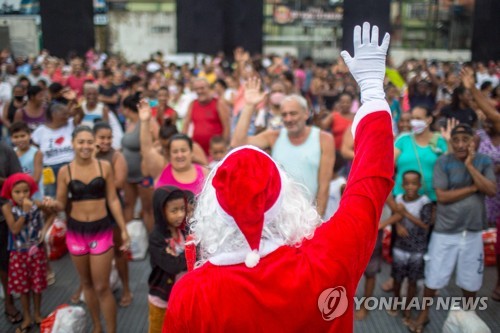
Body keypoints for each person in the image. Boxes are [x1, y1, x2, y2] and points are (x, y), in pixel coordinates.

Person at [163, 22, 394, 332]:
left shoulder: (191, 293)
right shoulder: (328, 256)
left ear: (213, 209)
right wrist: (373, 92)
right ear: (285, 196)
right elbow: (369, 185)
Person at [410, 124, 496, 333]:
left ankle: (468, 316)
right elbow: (443, 196)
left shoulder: (484, 162)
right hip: (445, 230)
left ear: (473, 141)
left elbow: (491, 190)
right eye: (456, 140)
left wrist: (471, 167)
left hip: (473, 230)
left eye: (465, 140)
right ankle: (424, 314)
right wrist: (476, 187)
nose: (460, 144)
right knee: (434, 275)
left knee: (471, 278)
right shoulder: (443, 162)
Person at [44, 126, 130, 333]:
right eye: (81, 142)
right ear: (73, 144)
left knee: (102, 286)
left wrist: (123, 227)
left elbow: (112, 199)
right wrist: (49, 203)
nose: (85, 146)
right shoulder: (66, 171)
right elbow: (61, 204)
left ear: (95, 144)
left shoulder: (104, 167)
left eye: (89, 142)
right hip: (76, 231)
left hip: (101, 230)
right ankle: (97, 326)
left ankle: (111, 330)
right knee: (87, 283)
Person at [231, 80, 334, 217]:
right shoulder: (274, 136)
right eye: (284, 115)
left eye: (293, 113)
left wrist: (317, 220)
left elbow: (324, 185)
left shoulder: (324, 139)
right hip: (279, 217)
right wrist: (249, 105)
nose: (288, 119)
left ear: (306, 114)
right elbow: (238, 144)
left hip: (310, 216)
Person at [70, 122, 132, 307]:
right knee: (86, 254)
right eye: (101, 138)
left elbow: (119, 184)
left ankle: (127, 288)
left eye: (109, 138)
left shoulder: (116, 156)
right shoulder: (85, 157)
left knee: (119, 252)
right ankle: (84, 285)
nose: (105, 142)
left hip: (111, 212)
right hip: (87, 216)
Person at [1, 173, 54, 333]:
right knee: (23, 288)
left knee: (37, 286)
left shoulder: (36, 204)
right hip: (18, 254)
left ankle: (37, 314)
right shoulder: (7, 207)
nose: (22, 195)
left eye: (25, 191)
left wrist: (44, 231)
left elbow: (52, 214)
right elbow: (15, 229)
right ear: (10, 192)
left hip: (36, 253)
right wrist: (24, 213)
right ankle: (27, 316)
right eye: (17, 192)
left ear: (30, 191)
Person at [388, 171, 432, 325]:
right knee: (397, 278)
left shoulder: (425, 201)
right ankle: (396, 301)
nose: (410, 187)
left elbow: (426, 225)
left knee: (412, 281)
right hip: (400, 247)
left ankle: (407, 308)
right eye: (407, 183)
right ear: (402, 185)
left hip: (417, 249)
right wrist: (398, 224)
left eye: (414, 183)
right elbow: (396, 217)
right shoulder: (398, 199)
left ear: (419, 185)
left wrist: (406, 214)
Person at [139, 100, 209, 195]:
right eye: (175, 151)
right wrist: (144, 122)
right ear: (169, 153)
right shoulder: (161, 168)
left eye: (183, 150)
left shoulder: (204, 173)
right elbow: (147, 150)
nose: (179, 155)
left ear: (191, 152)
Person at [148, 186, 188, 333]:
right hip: (163, 300)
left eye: (182, 209)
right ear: (161, 211)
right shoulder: (156, 238)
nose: (180, 215)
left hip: (183, 297)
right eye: (174, 210)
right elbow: (172, 266)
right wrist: (191, 252)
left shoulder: (184, 230)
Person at [121, 94, 157, 232]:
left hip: (144, 174)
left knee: (148, 209)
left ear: (127, 109)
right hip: (128, 174)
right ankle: (130, 240)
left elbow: (158, 140)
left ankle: (151, 240)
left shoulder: (147, 121)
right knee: (129, 204)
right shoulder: (129, 123)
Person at [31, 102, 79, 197]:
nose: (67, 116)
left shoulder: (70, 124)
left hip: (70, 166)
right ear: (54, 115)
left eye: (67, 113)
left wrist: (74, 102)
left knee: (72, 195)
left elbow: (80, 114)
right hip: (48, 168)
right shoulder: (40, 131)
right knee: (50, 197)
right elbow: (34, 151)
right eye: (64, 114)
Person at [0, 142, 23, 326]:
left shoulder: (5, 150)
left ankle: (9, 301)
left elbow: (20, 183)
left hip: (3, 215)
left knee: (4, 261)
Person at [181, 78, 230, 155]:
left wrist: (223, 147)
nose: (199, 91)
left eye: (202, 88)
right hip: (198, 151)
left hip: (216, 153)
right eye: (196, 89)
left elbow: (226, 127)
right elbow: (186, 125)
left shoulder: (218, 103)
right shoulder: (192, 104)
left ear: (209, 88)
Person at [10, 122, 44, 200]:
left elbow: (36, 179)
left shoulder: (36, 153)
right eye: (16, 137)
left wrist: (23, 190)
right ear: (11, 139)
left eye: (23, 136)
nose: (20, 139)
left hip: (35, 195)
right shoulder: (12, 153)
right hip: (17, 196)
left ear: (29, 135)